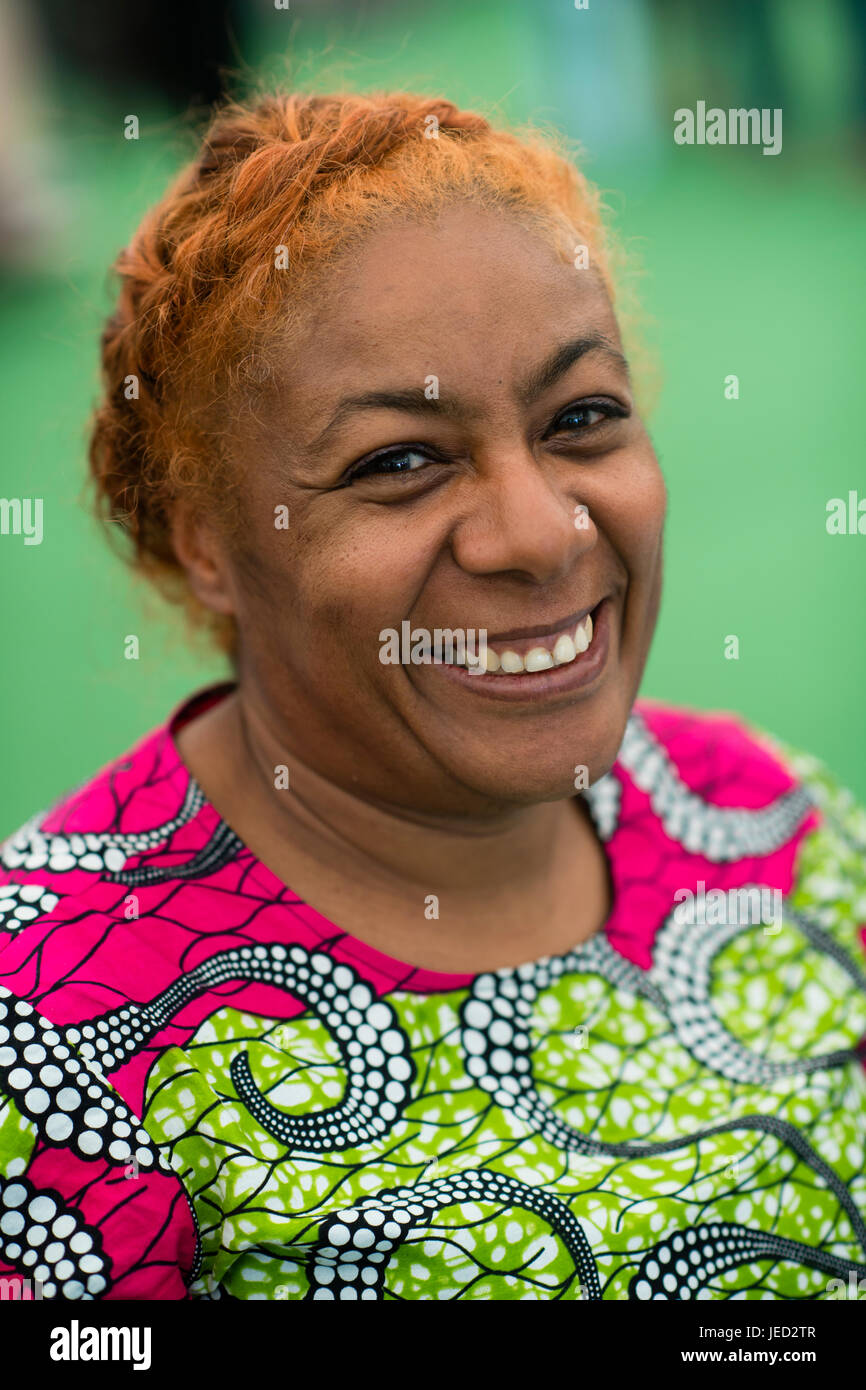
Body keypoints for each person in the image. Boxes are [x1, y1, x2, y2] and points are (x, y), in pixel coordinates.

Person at [1, 91, 864, 1302]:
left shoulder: (772, 818)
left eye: (580, 420)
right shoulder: (53, 1017)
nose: (539, 533)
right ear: (204, 540)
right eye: (397, 462)